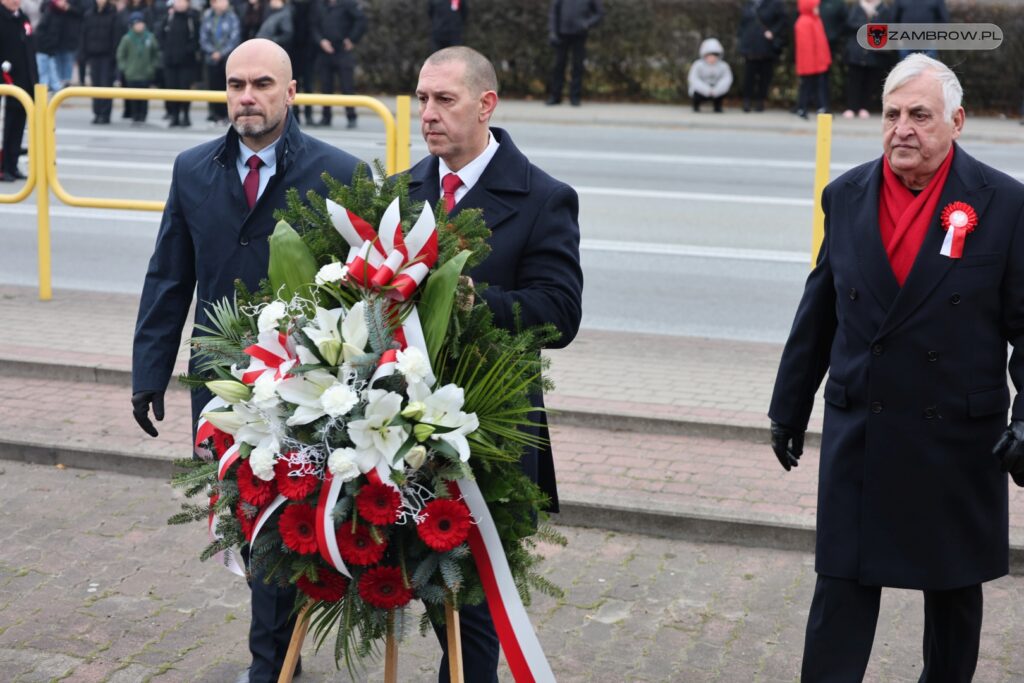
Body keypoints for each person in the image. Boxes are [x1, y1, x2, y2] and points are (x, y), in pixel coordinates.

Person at [769, 53, 1024, 682]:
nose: (902, 128)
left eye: (919, 114)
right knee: (841, 591)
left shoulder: (1005, 204)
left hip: (959, 436)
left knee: (954, 597)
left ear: (956, 121)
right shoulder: (847, 194)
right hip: (865, 429)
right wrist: (789, 405)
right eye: (891, 114)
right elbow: (820, 308)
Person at [130, 38, 361, 683]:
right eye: (235, 85)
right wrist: (150, 372)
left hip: (306, 385)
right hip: (223, 387)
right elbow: (168, 277)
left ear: (293, 91)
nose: (247, 97)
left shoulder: (338, 172)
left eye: (262, 84)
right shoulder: (191, 167)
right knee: (251, 522)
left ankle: (271, 667)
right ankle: (275, 661)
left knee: (289, 524)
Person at [407, 45, 583, 682]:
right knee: (431, 594)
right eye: (421, 99)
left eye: (443, 100)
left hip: (491, 440)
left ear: (486, 106)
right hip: (404, 432)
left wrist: (474, 302)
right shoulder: (403, 194)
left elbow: (560, 313)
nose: (427, 114)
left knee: (473, 613)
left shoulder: (543, 198)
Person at [310, 0, 366, 128]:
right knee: (326, 87)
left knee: (347, 86)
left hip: (342, 51)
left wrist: (352, 39)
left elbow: (361, 21)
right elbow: (313, 26)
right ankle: (326, 117)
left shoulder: (348, 3)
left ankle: (351, 116)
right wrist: (321, 41)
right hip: (324, 52)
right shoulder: (320, 5)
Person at [0, 0, 37, 183]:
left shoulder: (22, 18)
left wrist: (34, 81)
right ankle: (3, 167)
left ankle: (12, 165)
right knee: (5, 129)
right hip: (7, 84)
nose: (15, 1)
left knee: (17, 128)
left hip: (24, 83)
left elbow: (30, 51)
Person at [545, 0, 603, 106]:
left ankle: (575, 97)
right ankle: (555, 96)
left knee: (577, 66)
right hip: (561, 34)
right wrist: (552, 32)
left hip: (580, 35)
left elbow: (599, 13)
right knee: (559, 65)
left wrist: (587, 23)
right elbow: (554, 13)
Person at [842, 0, 890, 119]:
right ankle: (852, 107)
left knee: (870, 81)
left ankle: (865, 107)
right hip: (856, 51)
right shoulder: (857, 6)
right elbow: (850, 23)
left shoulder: (883, 8)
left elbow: (886, 27)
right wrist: (867, 25)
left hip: (874, 52)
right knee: (854, 81)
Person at [736, 0, 786, 113]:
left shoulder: (775, 4)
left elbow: (782, 20)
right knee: (749, 75)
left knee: (765, 75)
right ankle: (747, 100)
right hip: (750, 45)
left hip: (766, 46)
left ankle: (760, 100)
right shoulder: (750, 4)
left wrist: (773, 32)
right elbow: (743, 23)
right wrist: (742, 39)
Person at [157, 0, 200, 127]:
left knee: (185, 89)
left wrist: (187, 51)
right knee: (171, 88)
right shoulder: (168, 18)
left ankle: (186, 115)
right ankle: (174, 115)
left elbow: (196, 39)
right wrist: (166, 50)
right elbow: (160, 35)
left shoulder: (192, 19)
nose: (180, 4)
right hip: (170, 62)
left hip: (186, 62)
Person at [199, 0, 240, 123]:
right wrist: (212, 52)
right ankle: (214, 113)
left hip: (227, 59)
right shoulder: (207, 16)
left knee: (227, 86)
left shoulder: (232, 17)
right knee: (212, 86)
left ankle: (226, 114)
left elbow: (234, 38)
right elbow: (203, 37)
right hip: (211, 58)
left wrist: (221, 53)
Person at [116, 10, 159, 124]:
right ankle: (135, 115)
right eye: (136, 23)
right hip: (132, 73)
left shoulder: (149, 37)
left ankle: (143, 115)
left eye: (140, 23)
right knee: (133, 97)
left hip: (145, 73)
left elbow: (156, 53)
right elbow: (121, 54)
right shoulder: (127, 38)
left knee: (144, 97)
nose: (139, 26)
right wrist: (125, 68)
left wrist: (152, 66)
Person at [81, 0, 121, 124]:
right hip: (93, 55)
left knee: (106, 85)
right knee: (95, 85)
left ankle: (105, 114)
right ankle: (97, 113)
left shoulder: (113, 14)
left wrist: (114, 56)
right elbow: (84, 35)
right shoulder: (88, 14)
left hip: (107, 56)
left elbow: (116, 36)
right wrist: (83, 54)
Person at [793, 0, 831, 119]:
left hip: (817, 61)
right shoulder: (804, 22)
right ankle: (802, 108)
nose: (817, 8)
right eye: (815, 6)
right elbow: (806, 48)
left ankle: (818, 107)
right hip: (810, 63)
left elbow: (821, 43)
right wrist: (813, 64)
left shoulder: (815, 20)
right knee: (807, 86)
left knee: (813, 86)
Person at [687, 37, 732, 113]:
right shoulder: (698, 65)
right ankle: (696, 106)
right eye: (709, 55)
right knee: (696, 93)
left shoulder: (724, 66)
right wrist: (706, 90)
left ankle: (718, 106)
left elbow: (727, 79)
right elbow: (693, 79)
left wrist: (716, 90)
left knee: (723, 92)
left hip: (716, 89)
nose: (712, 58)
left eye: (714, 55)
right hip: (701, 90)